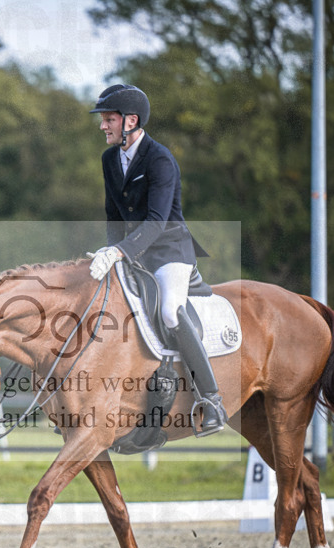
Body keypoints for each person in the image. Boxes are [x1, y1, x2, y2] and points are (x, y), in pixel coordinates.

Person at [87, 84, 226, 436]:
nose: (103, 126)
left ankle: (211, 400)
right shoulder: (109, 160)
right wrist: (109, 252)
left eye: (109, 120)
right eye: (103, 120)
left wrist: (120, 252)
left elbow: (157, 220)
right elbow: (112, 217)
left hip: (169, 253)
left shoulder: (160, 159)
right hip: (133, 254)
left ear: (130, 121)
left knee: (168, 310)